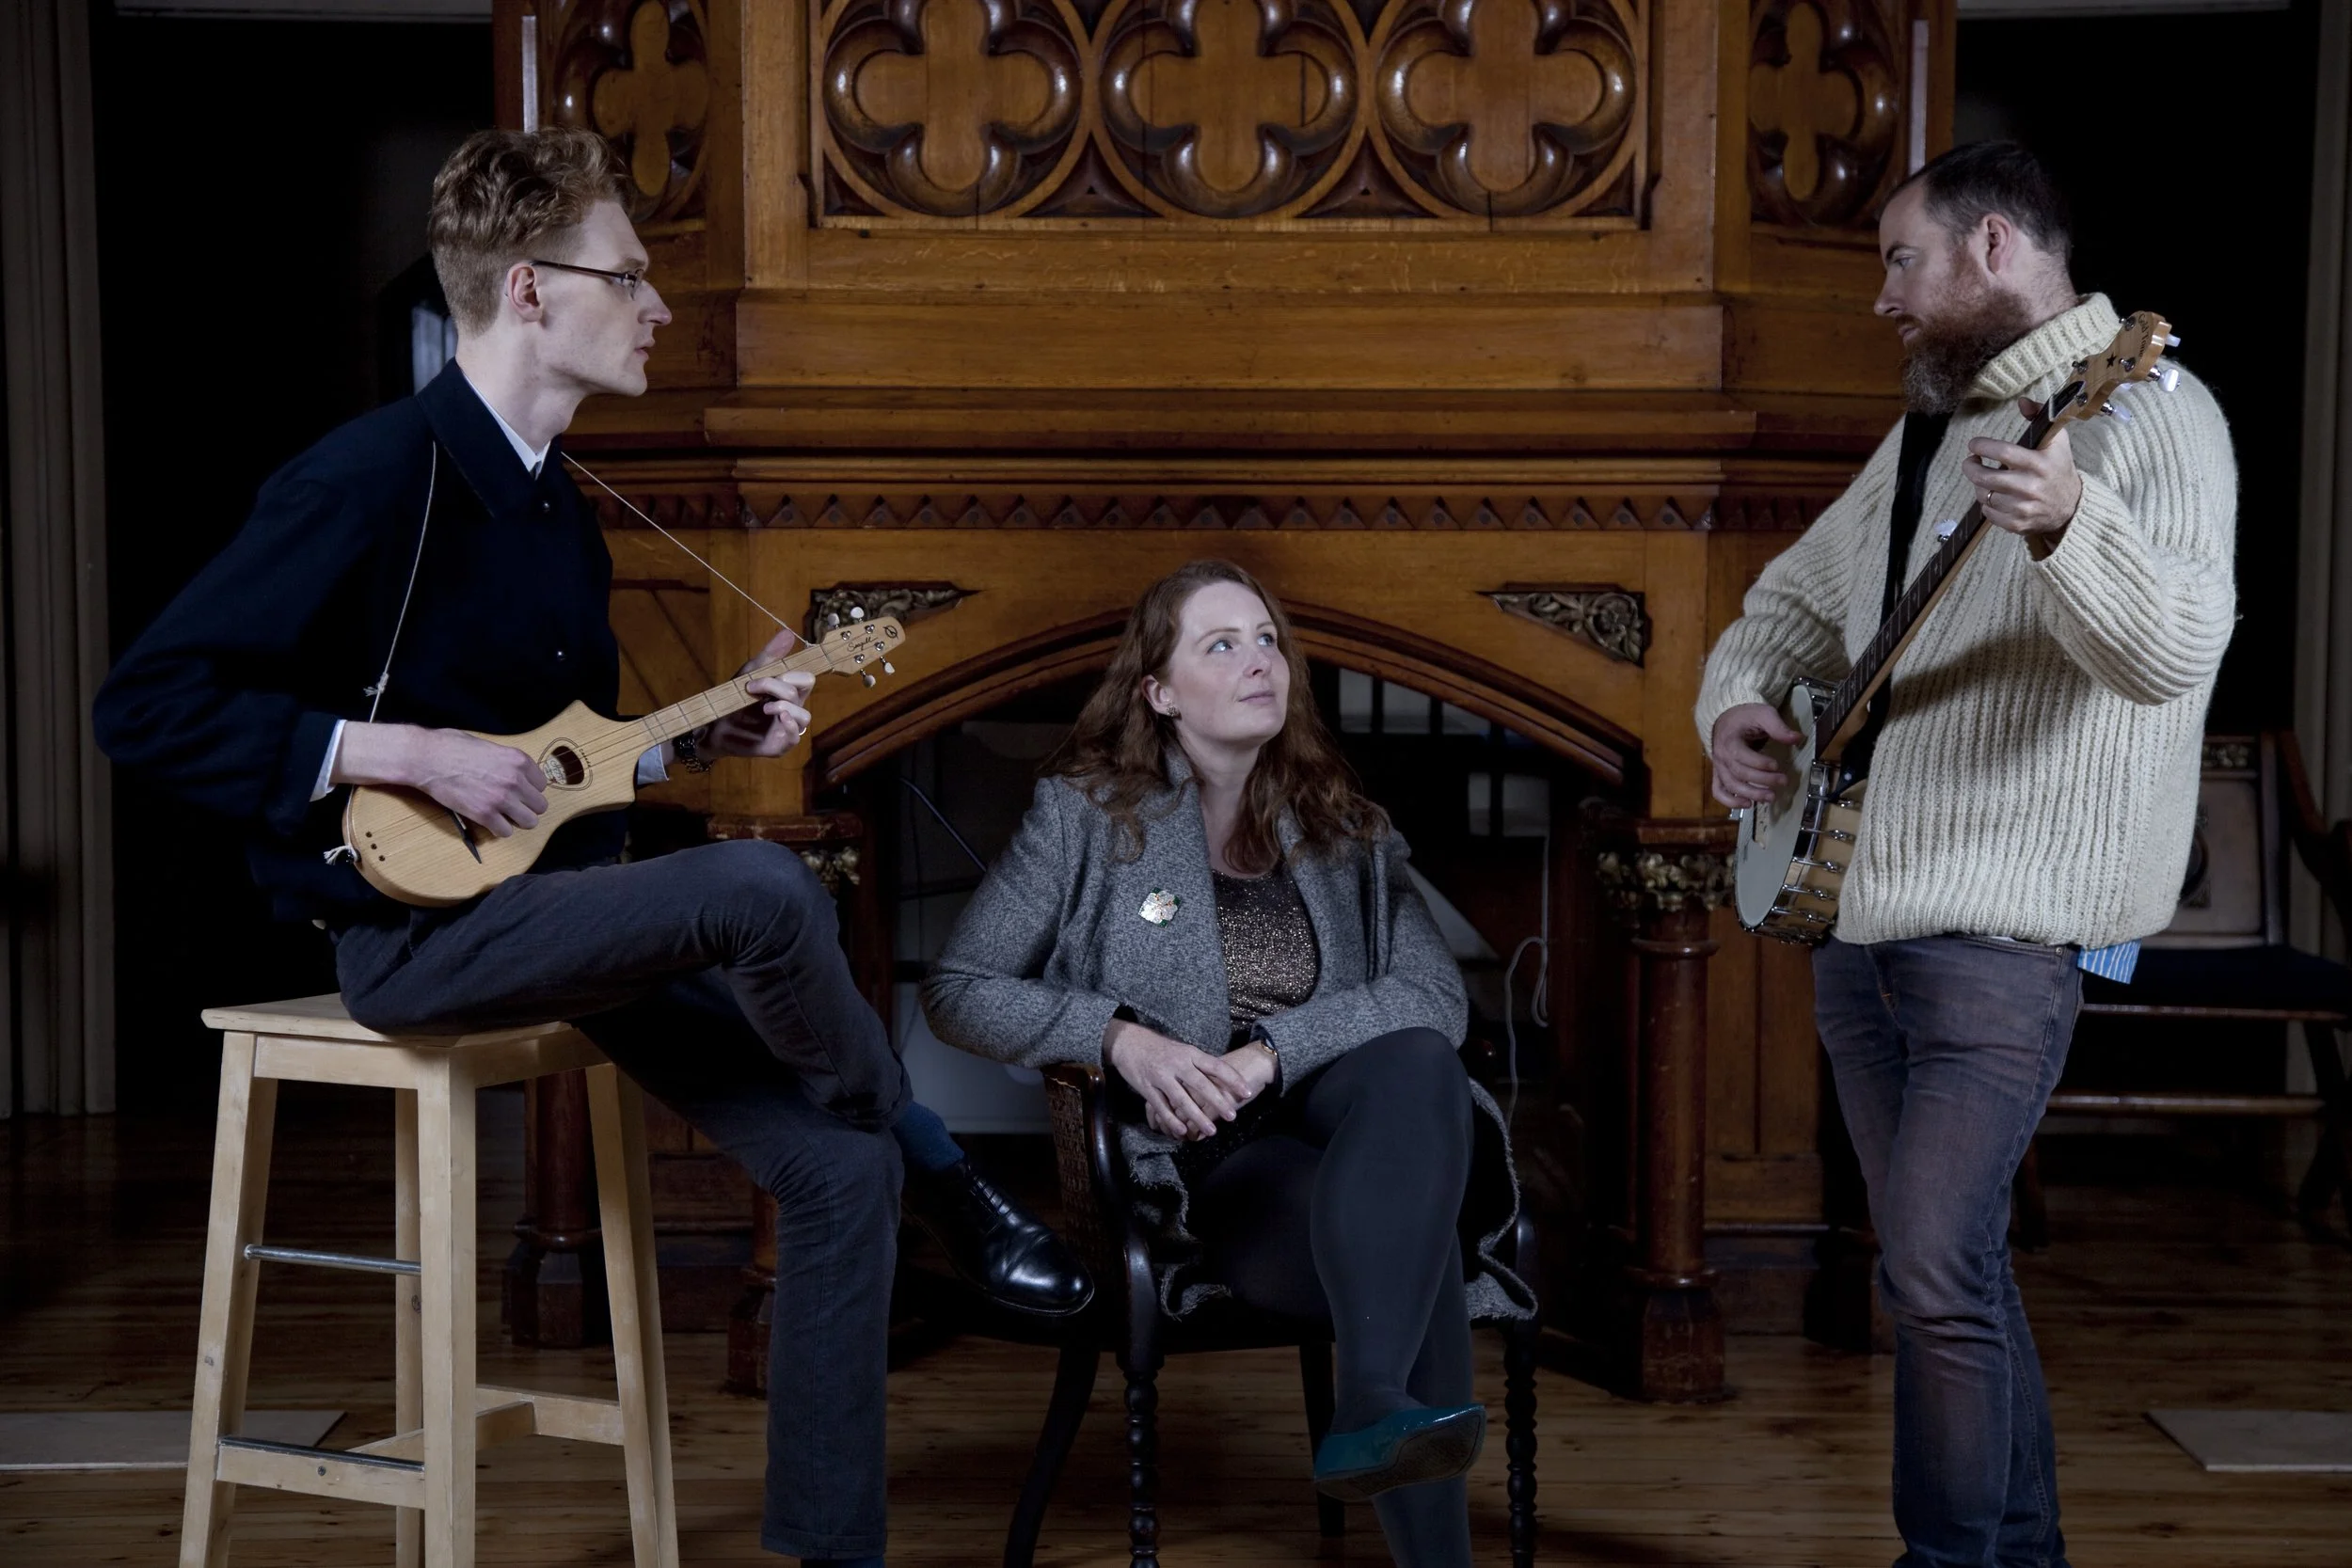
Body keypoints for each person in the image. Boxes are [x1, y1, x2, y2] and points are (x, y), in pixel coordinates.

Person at [92, 127, 1086, 1567]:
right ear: (533, 290)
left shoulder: (562, 501)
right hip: (407, 937)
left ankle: (831, 1548)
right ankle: (942, 1157)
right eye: (632, 276)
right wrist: (398, 749)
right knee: (758, 881)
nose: (661, 308)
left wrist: (703, 740)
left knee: (828, 1168)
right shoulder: (363, 479)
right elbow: (147, 705)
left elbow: (567, 765)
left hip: (562, 911)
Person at [1699, 141, 2235, 1568]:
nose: (1882, 298)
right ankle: (2021, 1554)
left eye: (1897, 259)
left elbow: (2174, 651)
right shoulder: (1926, 437)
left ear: (1994, 247)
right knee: (1957, 1274)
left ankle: (1944, 1559)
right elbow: (1779, 614)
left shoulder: (2157, 420)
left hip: (2000, 942)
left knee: (1931, 1271)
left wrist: (2072, 527)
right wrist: (1740, 709)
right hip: (1855, 925)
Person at [922, 559, 1533, 1567]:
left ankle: (1371, 1401)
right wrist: (1121, 1036)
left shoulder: (1343, 826)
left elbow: (1433, 995)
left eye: (1266, 640)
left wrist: (1267, 1055)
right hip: (1206, 1175)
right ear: (1158, 692)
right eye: (1221, 644)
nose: (1260, 661)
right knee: (1417, 1243)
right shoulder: (1084, 816)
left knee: (1419, 1061)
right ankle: (1398, 1461)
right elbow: (961, 987)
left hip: (1349, 1140)